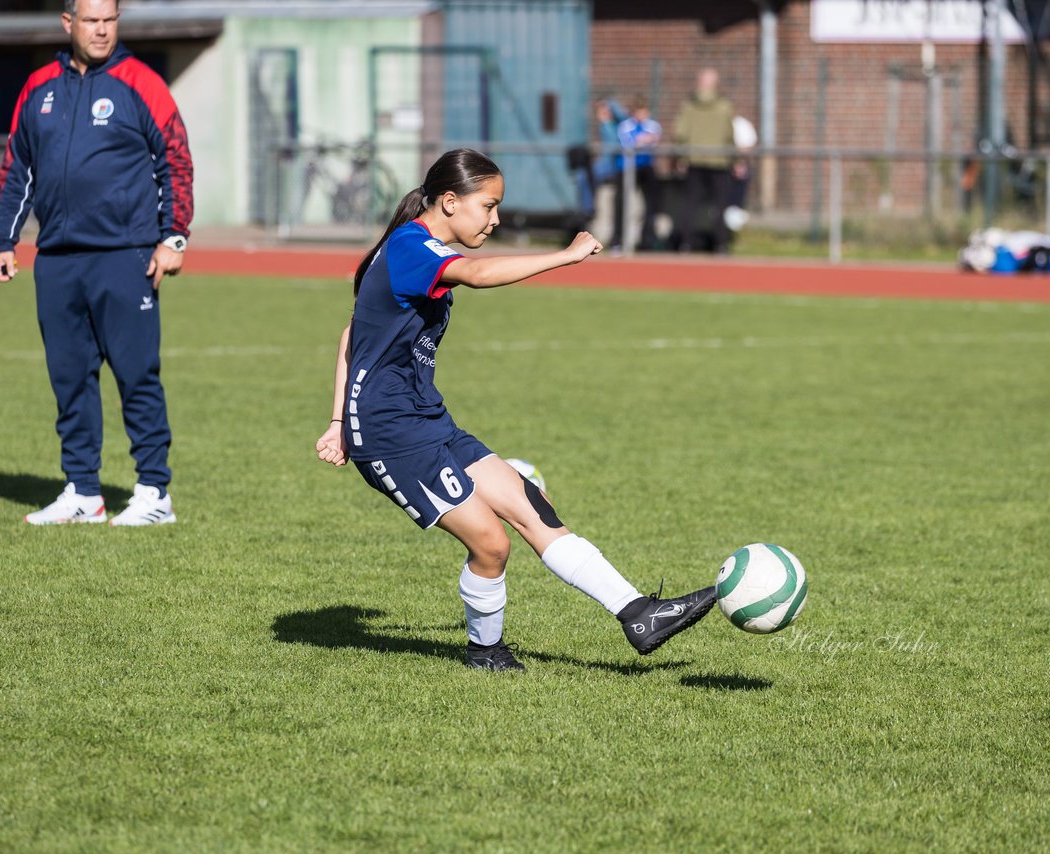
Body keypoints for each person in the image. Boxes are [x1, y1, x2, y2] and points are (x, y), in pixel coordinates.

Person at [313, 148, 716, 672]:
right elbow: (476, 277)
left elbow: (352, 335)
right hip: (391, 435)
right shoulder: (412, 246)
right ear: (451, 201)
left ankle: (640, 614)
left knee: (531, 504)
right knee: (492, 543)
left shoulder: (415, 246)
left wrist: (338, 420)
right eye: (490, 205)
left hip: (426, 419)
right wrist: (565, 256)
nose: (496, 218)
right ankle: (485, 653)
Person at [0, 0, 193, 526]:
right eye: (91, 21)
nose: (102, 30)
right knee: (70, 378)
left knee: (136, 375)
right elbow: (17, 168)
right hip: (56, 260)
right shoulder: (38, 89)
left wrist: (174, 238)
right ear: (68, 24)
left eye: (110, 20)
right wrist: (4, 240)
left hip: (125, 257)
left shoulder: (141, 83)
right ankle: (83, 490)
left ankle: (154, 494)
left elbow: (175, 159)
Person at [672, 68, 736, 254]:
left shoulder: (689, 106)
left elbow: (680, 133)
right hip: (720, 161)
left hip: (694, 160)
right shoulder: (725, 107)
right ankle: (721, 244)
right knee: (719, 205)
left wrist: (680, 157)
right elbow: (729, 135)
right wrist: (735, 159)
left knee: (690, 205)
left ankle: (686, 243)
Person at [612, 97, 662, 252]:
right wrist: (641, 141)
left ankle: (647, 241)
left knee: (652, 203)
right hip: (626, 168)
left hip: (645, 167)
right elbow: (629, 144)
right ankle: (617, 241)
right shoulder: (625, 126)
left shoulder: (653, 125)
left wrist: (643, 141)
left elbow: (653, 140)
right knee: (621, 202)